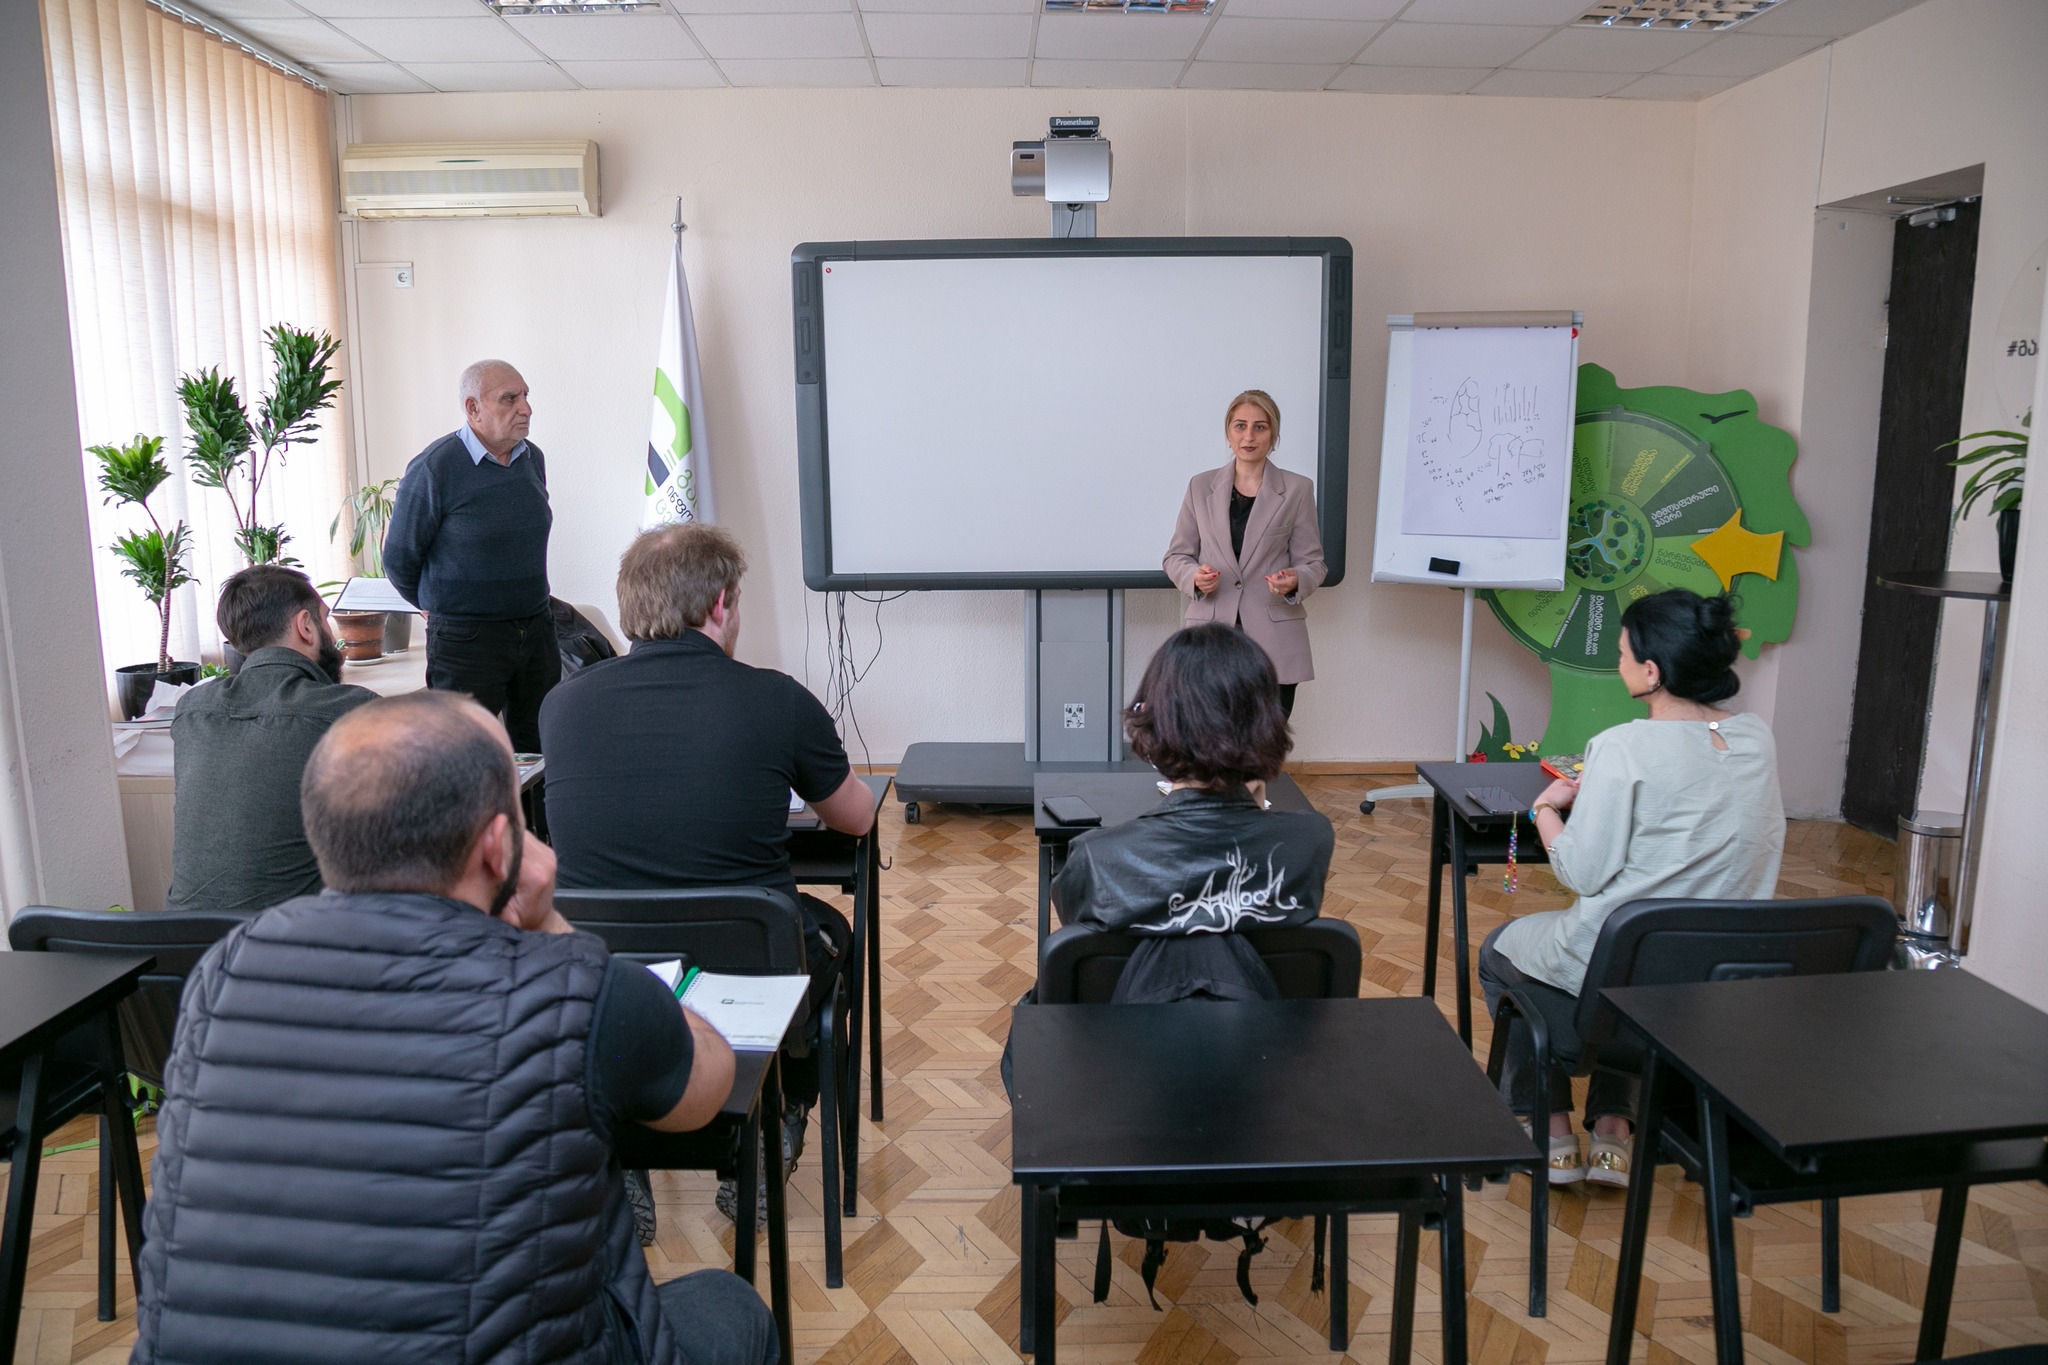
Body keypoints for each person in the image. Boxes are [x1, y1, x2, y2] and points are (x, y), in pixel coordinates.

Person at [132, 691, 773, 1365]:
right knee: (728, 1307)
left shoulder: (223, 971)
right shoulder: (574, 987)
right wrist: (552, 925)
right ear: (499, 846)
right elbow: (708, 1084)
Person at [540, 522, 871, 1217]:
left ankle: (623, 1147)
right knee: (831, 935)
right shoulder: (776, 699)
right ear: (721, 604)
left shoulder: (560, 706)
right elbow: (856, 818)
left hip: (608, 971)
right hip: (748, 975)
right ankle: (779, 1113)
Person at [1480, 589, 1784, 1189]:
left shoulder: (1621, 747)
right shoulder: (1757, 739)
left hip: (1615, 976)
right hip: (1713, 982)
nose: (1618, 662)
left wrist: (1547, 810)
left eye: (1622, 654)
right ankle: (1614, 1131)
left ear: (1651, 671)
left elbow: (1581, 872)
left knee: (1499, 950)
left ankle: (1553, 1133)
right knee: (1653, 951)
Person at [1052, 623, 1334, 1002]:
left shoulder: (1098, 857)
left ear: (1155, 721)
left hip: (1124, 1036)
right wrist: (1248, 804)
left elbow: (1082, 940)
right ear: (1267, 722)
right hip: (1270, 1034)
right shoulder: (1310, 841)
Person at [165, 565, 374, 915]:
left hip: (185, 940)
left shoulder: (192, 710)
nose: (330, 633)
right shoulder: (350, 711)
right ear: (305, 626)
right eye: (324, 619)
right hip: (292, 941)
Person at [384, 359, 558, 753]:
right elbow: (398, 559)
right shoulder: (435, 468)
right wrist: (434, 606)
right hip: (466, 641)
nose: (526, 408)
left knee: (541, 750)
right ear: (473, 408)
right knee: (463, 756)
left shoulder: (532, 459)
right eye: (509, 399)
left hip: (536, 632)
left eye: (526, 396)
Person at [1163, 389, 1328, 718]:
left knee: (1266, 737)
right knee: (1210, 734)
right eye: (1240, 426)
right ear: (1228, 432)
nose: (1249, 436)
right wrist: (1193, 577)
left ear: (1273, 434)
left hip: (1275, 639)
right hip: (1211, 635)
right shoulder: (1200, 486)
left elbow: (1313, 563)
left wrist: (1295, 580)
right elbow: (1176, 556)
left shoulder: (1297, 489)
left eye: (1259, 427)